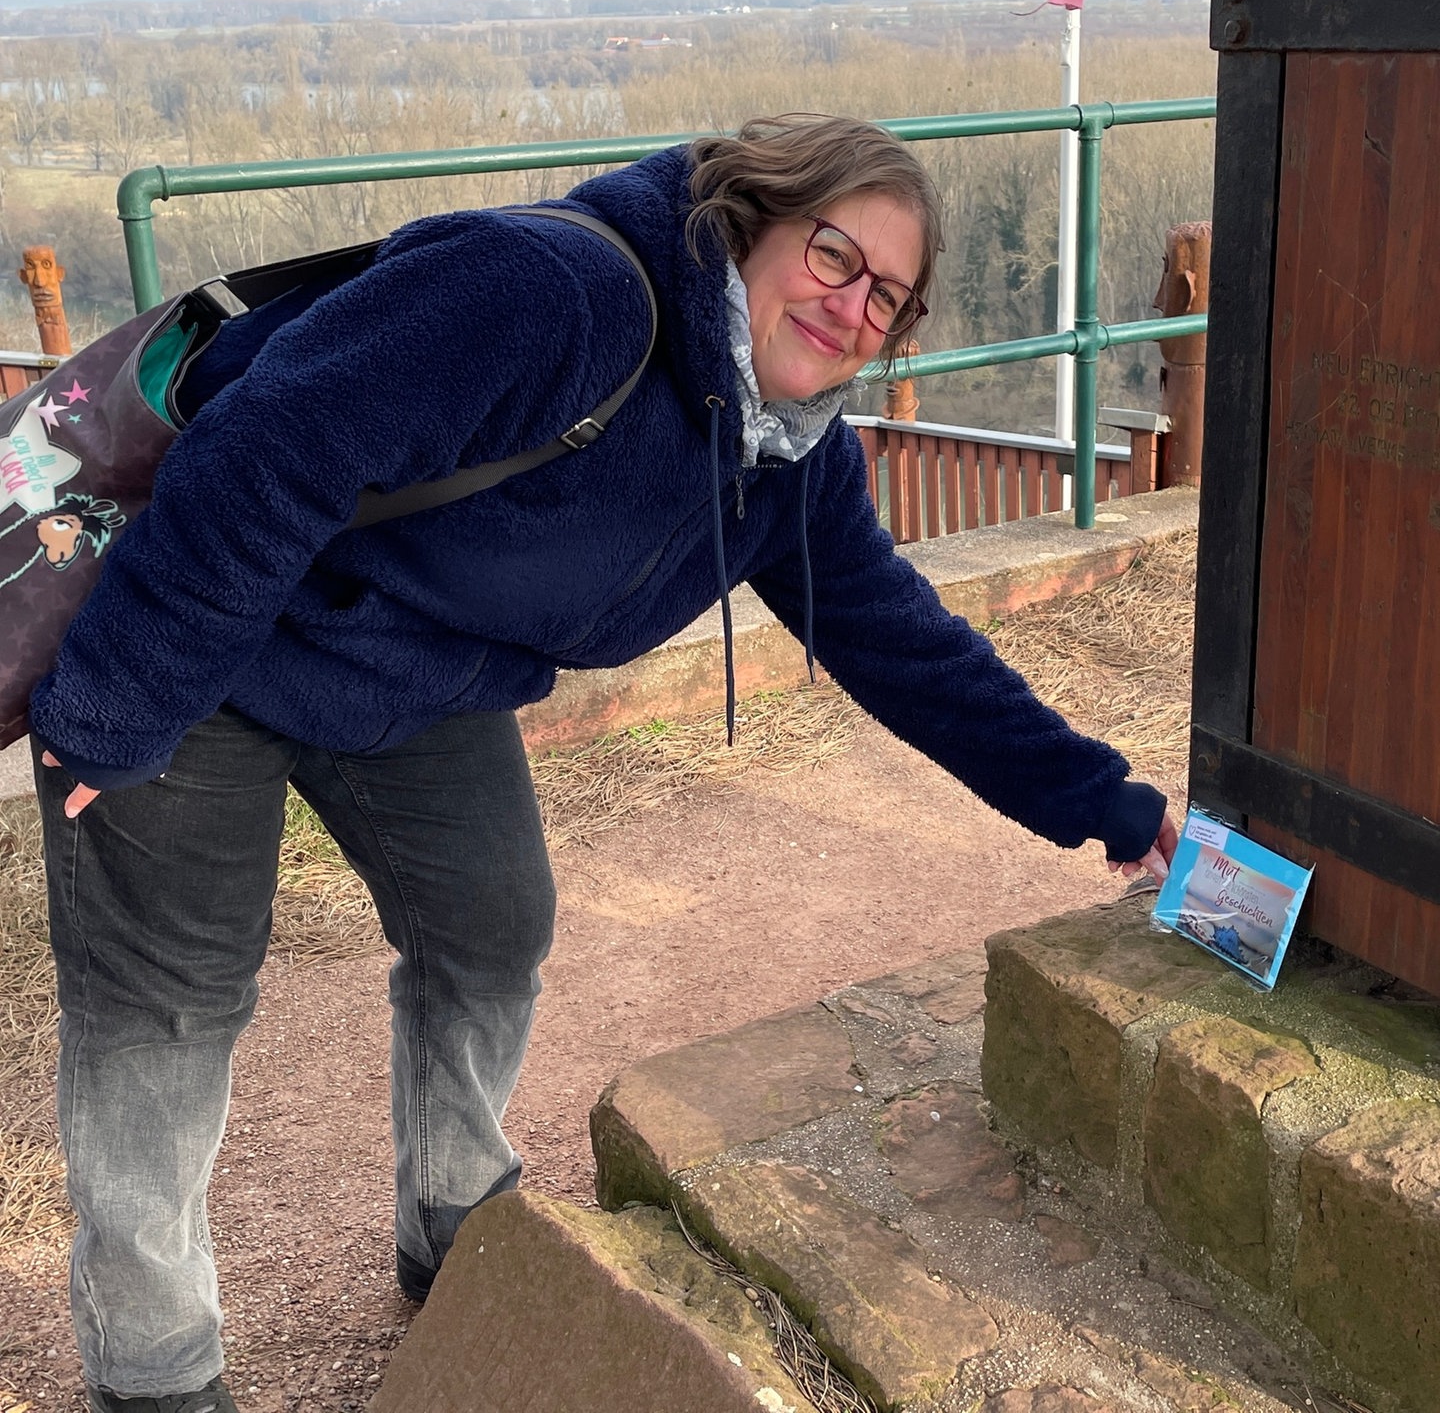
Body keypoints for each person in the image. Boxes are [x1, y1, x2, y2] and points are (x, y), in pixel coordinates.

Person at [29, 113, 1177, 1413]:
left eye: (889, 298)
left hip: (421, 674)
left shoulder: (787, 461)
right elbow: (271, 443)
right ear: (757, 218)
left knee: (493, 927)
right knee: (166, 1009)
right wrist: (122, 704)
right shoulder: (556, 291)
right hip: (208, 641)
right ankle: (155, 1367)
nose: (853, 307)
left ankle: (452, 1214)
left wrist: (1105, 804)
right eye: (835, 253)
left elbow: (911, 651)